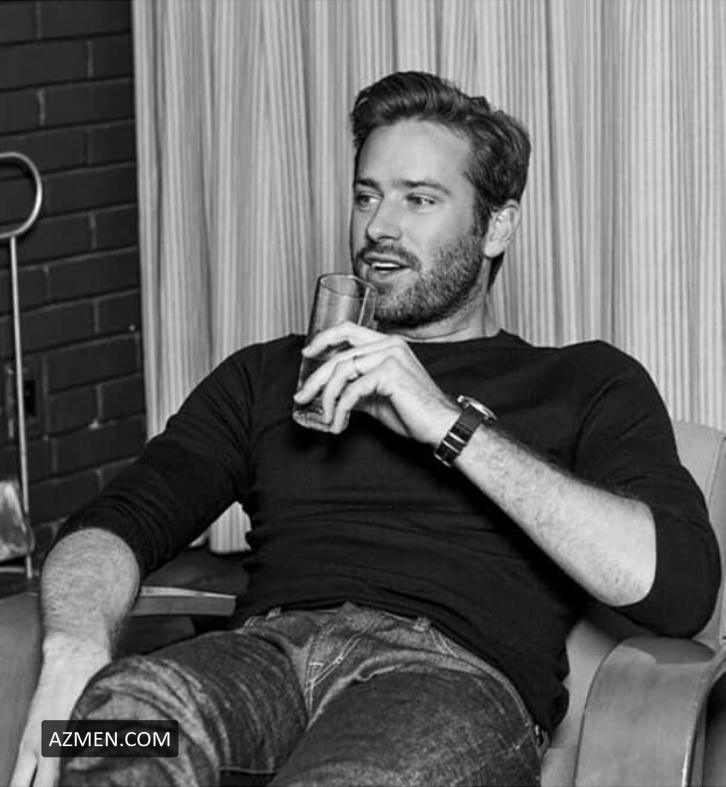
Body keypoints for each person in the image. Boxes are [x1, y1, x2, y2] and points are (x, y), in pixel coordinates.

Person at [11, 70, 720, 787]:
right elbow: (119, 518)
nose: (380, 225)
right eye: (366, 195)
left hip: (446, 683)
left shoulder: (583, 381)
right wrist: (74, 647)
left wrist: (445, 422)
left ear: (498, 226)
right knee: (117, 718)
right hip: (263, 659)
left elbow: (679, 590)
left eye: (419, 199)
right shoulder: (271, 373)